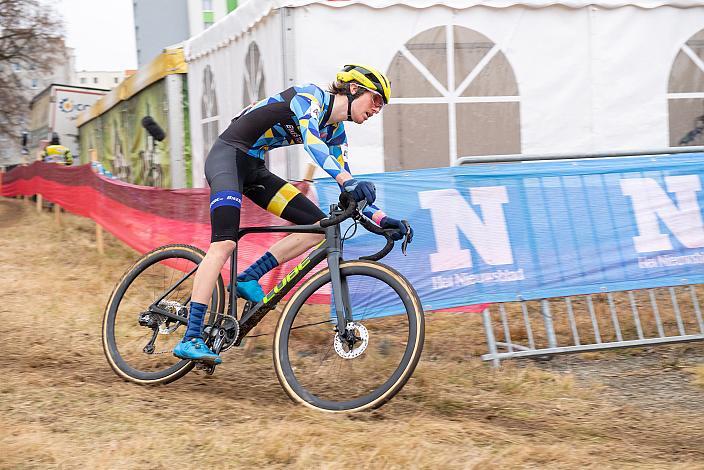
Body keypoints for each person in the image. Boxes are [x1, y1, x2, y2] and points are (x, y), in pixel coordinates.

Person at [173, 64, 413, 364]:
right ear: (354, 89)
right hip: (227, 157)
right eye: (376, 99)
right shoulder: (309, 97)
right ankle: (191, 336)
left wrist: (382, 220)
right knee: (224, 244)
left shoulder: (336, 133)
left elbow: (349, 186)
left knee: (316, 226)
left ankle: (248, 277)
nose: (378, 108)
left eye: (382, 105)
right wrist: (347, 182)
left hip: (254, 168)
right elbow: (312, 143)